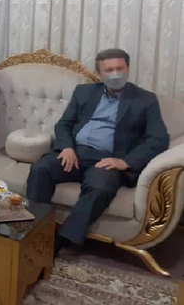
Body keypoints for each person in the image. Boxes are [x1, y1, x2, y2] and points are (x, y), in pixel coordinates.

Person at [26, 48, 169, 255]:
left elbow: (158, 139)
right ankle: (34, 231)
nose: (115, 74)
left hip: (108, 160)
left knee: (100, 187)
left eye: (120, 68)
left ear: (128, 69)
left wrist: (125, 162)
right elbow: (64, 124)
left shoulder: (145, 99)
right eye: (109, 70)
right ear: (99, 73)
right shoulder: (84, 92)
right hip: (75, 153)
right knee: (41, 168)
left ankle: (61, 240)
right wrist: (67, 147)